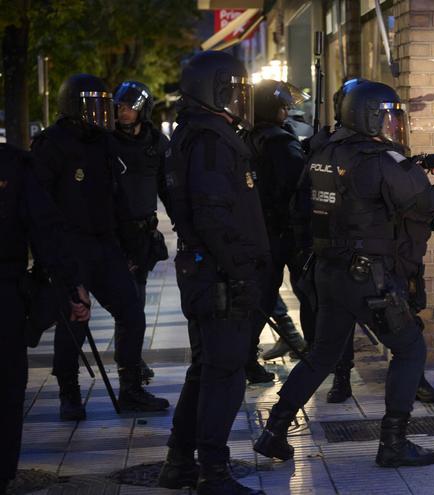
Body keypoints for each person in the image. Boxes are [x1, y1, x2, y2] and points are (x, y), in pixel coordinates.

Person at [253, 80, 434, 468]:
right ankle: (393, 443)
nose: (393, 127)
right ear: (368, 118)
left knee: (322, 355)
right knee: (410, 349)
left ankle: (274, 430)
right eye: (387, 118)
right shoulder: (381, 160)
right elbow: (431, 204)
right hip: (367, 278)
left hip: (329, 271)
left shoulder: (324, 151)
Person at [157, 50, 268, 495]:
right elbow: (212, 215)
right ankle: (213, 473)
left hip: (208, 270)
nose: (241, 100)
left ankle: (180, 463)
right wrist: (240, 274)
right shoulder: (210, 140)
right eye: (234, 91)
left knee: (206, 368)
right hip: (220, 275)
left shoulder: (193, 134)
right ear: (213, 91)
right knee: (225, 373)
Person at [30, 73, 169, 420]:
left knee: (132, 313)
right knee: (75, 318)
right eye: (93, 106)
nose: (102, 113)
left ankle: (131, 388)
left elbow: (117, 197)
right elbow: (39, 208)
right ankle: (69, 394)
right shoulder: (51, 144)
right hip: (70, 247)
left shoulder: (105, 142)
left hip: (105, 244)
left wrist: (130, 248)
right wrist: (54, 262)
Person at [313, 78, 434, 405]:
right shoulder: (350, 152)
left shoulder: (363, 152)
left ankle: (278, 424)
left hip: (384, 253)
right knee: (403, 341)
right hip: (365, 261)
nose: (392, 126)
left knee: (404, 325)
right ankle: (352, 386)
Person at [0, 144, 91, 494]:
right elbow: (46, 231)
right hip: (4, 295)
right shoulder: (12, 164)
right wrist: (71, 286)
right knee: (7, 386)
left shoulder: (14, 165)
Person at [240, 79, 311, 378]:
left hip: (257, 229)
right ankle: (315, 354)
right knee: (307, 293)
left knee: (262, 296)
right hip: (285, 231)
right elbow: (299, 186)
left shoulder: (247, 136)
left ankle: (246, 357)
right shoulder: (280, 142)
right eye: (283, 106)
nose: (287, 110)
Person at [111, 80, 170, 384]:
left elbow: (168, 188)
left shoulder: (156, 143)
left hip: (144, 236)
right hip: (115, 235)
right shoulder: (107, 143)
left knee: (138, 299)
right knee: (129, 304)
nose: (124, 112)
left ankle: (131, 359)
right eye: (120, 107)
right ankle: (129, 364)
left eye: (130, 107)